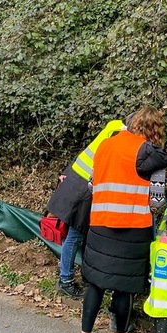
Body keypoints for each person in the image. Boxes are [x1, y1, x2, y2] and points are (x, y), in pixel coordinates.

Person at [74, 105, 167, 333]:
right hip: (133, 228)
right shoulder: (153, 155)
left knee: (95, 282)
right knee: (124, 286)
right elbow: (157, 202)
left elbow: (92, 184)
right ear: (155, 129)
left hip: (101, 223)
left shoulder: (106, 145)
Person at [46, 119, 126, 298]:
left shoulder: (114, 125)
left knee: (81, 234)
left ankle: (80, 276)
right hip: (85, 186)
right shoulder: (120, 135)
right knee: (75, 235)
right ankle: (65, 280)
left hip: (77, 178)